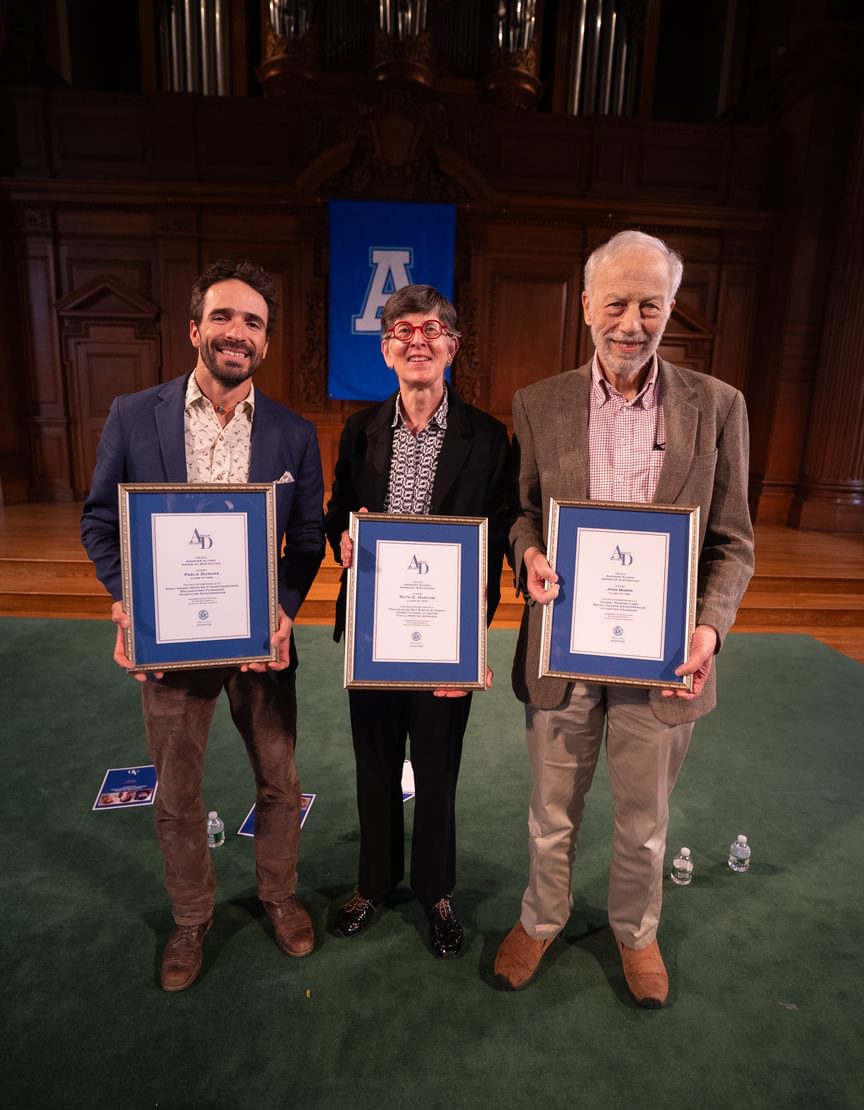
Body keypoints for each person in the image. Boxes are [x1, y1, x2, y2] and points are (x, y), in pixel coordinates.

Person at [493, 230, 754, 1006]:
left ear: (671, 308)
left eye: (651, 304)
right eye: (616, 302)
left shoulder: (719, 406)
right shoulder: (537, 404)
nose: (632, 322)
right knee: (551, 808)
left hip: (666, 658)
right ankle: (540, 919)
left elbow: (734, 542)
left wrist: (709, 627)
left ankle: (637, 934)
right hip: (565, 646)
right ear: (585, 307)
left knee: (644, 820)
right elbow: (521, 513)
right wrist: (529, 555)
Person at [81, 259, 325, 991]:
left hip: (260, 645)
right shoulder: (133, 414)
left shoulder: (293, 432)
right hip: (171, 643)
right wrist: (127, 598)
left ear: (266, 343)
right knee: (177, 794)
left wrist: (282, 609)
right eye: (222, 317)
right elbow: (100, 520)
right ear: (195, 329)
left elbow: (308, 538)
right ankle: (192, 917)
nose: (236, 333)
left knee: (279, 781)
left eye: (252, 322)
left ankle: (279, 896)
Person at [324, 284, 511, 959]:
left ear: (453, 348)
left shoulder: (488, 438)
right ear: (385, 350)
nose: (418, 340)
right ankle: (373, 883)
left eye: (433, 329)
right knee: (374, 764)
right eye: (403, 330)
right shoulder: (358, 430)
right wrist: (341, 539)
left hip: (446, 641)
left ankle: (435, 891)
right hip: (374, 639)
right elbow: (335, 509)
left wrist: (474, 643)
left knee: (437, 769)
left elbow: (499, 535)